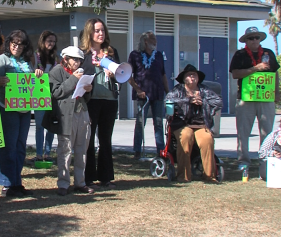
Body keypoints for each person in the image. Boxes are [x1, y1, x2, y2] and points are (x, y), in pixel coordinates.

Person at [43, 46, 94, 196]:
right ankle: (63, 184)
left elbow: (85, 97)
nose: (77, 63)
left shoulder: (80, 72)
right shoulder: (56, 71)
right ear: (65, 59)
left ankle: (80, 182)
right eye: (75, 59)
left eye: (80, 60)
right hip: (65, 115)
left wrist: (88, 89)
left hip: (82, 112)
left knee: (82, 149)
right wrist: (73, 79)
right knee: (65, 150)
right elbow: (56, 92)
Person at [0, 30, 34, 197]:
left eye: (20, 44)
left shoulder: (27, 62)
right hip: (7, 107)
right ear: (9, 44)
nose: (16, 47)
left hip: (25, 109)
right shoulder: (2, 59)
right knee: (9, 146)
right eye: (13, 43)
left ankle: (17, 182)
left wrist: (36, 74)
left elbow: (33, 83)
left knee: (20, 146)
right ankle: (7, 184)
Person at [229, 26, 280, 169]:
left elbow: (275, 73)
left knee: (267, 132)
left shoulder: (268, 53)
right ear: (246, 40)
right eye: (251, 38)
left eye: (257, 37)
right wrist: (254, 69)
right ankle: (243, 161)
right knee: (243, 132)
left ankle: (265, 162)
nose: (254, 40)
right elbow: (235, 74)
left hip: (266, 98)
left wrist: (276, 91)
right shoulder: (240, 55)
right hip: (246, 99)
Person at [80, 18, 120, 189]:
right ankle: (87, 177)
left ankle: (105, 177)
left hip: (109, 100)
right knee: (88, 139)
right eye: (97, 30)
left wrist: (114, 75)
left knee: (105, 139)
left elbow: (121, 74)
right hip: (91, 101)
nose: (101, 33)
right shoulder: (84, 54)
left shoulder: (111, 52)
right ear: (90, 33)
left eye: (102, 30)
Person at [165, 64, 223, 183]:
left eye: (194, 75)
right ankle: (184, 176)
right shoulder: (178, 90)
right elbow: (168, 101)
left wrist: (203, 102)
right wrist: (188, 100)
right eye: (189, 75)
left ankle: (209, 176)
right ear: (184, 78)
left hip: (201, 124)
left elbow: (218, 101)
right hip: (182, 123)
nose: (192, 77)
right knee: (186, 136)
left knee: (207, 139)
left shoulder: (204, 90)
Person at [128, 31, 169, 159]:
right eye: (153, 39)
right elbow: (128, 75)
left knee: (158, 123)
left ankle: (161, 150)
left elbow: (163, 75)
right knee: (140, 123)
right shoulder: (135, 55)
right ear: (145, 41)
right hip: (143, 95)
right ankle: (137, 151)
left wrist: (169, 92)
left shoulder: (159, 55)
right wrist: (138, 89)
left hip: (157, 92)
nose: (155, 42)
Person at [31, 30, 58, 162]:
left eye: (53, 41)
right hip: (39, 93)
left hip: (52, 94)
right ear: (43, 41)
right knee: (39, 125)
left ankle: (48, 153)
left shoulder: (56, 58)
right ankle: (39, 153)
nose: (51, 44)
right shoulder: (35, 56)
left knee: (51, 125)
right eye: (49, 41)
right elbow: (29, 72)